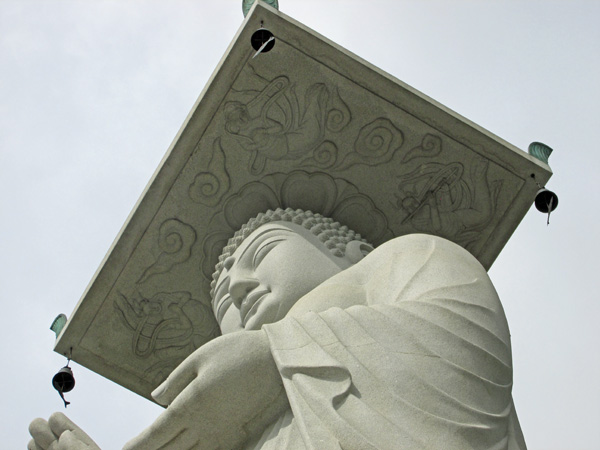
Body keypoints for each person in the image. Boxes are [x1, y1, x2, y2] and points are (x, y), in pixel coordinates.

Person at [29, 208, 526, 449]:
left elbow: (459, 341)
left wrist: (274, 355)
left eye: (263, 252)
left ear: (353, 252)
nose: (240, 287)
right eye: (223, 299)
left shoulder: (402, 260)